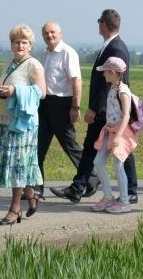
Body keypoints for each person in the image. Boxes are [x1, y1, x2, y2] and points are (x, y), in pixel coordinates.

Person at [51, 9, 138, 204]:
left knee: (122, 149)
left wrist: (94, 108)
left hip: (109, 111)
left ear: (104, 24)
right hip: (107, 110)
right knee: (92, 147)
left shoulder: (116, 48)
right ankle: (79, 187)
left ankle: (130, 191)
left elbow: (111, 83)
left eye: (99, 21)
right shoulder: (111, 45)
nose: (98, 24)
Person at [0, 24, 46, 225]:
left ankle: (15, 209)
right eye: (17, 42)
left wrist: (16, 91)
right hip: (6, 119)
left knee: (17, 166)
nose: (20, 45)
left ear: (30, 45)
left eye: (24, 42)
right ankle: (31, 195)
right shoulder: (8, 63)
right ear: (11, 45)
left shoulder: (34, 65)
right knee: (17, 164)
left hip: (24, 124)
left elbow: (42, 92)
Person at [36, 22, 91, 197]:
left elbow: (77, 80)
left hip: (62, 104)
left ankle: (92, 178)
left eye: (52, 32)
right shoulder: (45, 54)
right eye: (45, 33)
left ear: (60, 33)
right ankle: (36, 188)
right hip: (45, 104)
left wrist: (75, 106)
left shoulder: (68, 52)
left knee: (70, 146)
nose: (49, 35)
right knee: (37, 147)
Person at [90, 57, 138, 214]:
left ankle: (124, 201)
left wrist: (118, 136)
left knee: (118, 165)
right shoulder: (113, 88)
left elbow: (126, 115)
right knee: (98, 161)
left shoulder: (123, 91)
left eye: (105, 71)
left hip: (119, 134)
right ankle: (108, 196)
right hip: (109, 130)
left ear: (111, 72)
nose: (103, 74)